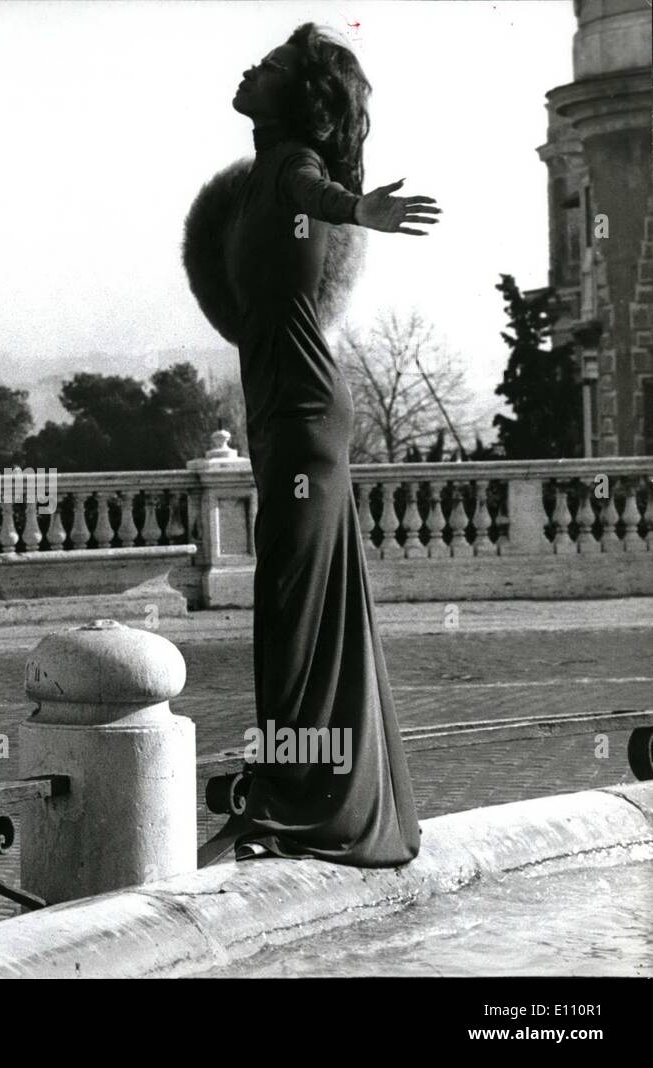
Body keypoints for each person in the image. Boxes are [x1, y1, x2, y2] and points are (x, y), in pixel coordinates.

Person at [190, 24, 440, 866]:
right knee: (295, 608)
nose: (247, 66)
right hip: (279, 418)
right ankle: (317, 799)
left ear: (294, 97)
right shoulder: (262, 173)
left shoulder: (295, 164)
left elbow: (320, 194)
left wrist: (358, 208)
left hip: (302, 417)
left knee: (292, 615)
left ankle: (290, 805)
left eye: (266, 66)